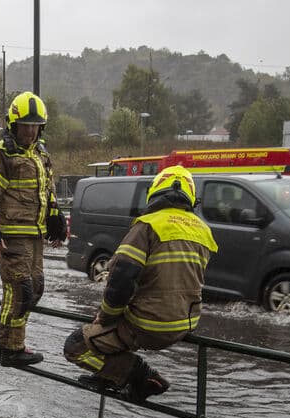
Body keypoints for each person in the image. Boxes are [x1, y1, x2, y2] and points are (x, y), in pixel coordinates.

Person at [63, 165, 218, 403]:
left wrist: (105, 317)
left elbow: (121, 279)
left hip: (148, 325)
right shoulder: (203, 230)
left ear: (156, 191)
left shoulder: (148, 225)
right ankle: (113, 377)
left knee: (74, 346)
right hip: (185, 323)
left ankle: (139, 376)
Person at [0, 91, 68, 367]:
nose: (30, 131)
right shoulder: (0, 153)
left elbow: (47, 190)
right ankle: (8, 346)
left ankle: (5, 344)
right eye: (25, 126)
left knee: (36, 289)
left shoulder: (41, 153)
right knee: (20, 290)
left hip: (35, 235)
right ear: (13, 125)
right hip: (11, 236)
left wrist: (56, 216)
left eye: (35, 126)